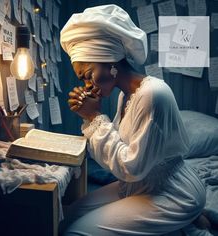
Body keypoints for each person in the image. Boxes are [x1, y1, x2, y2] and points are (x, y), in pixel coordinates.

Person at [60, 4, 206, 235]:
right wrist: (91, 117)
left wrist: (95, 117)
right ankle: (184, 223)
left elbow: (131, 167)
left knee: (75, 232)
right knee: (68, 216)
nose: (87, 85)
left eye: (88, 75)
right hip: (139, 184)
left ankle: (187, 218)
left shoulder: (153, 94)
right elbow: (121, 147)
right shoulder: (125, 95)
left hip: (172, 192)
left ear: (110, 62)